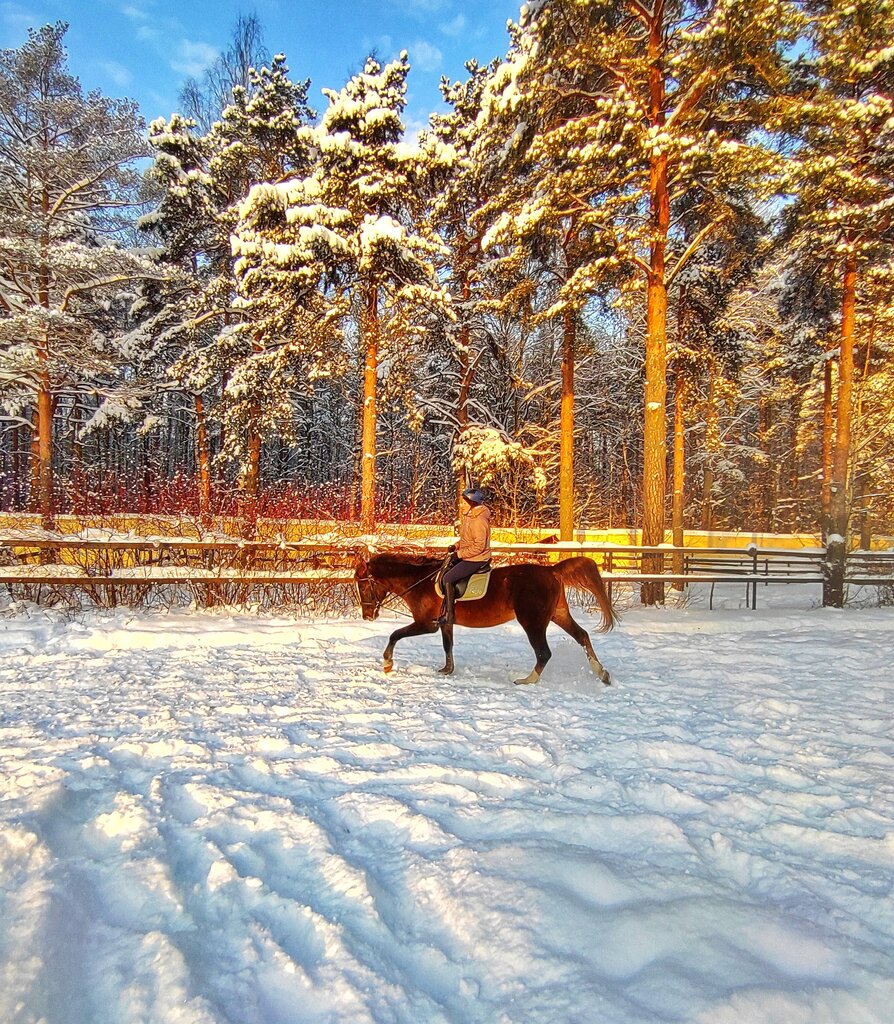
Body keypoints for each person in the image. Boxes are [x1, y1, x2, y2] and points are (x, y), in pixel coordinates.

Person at [438, 487, 492, 626]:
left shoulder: (479, 521)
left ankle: (450, 616)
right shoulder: (470, 517)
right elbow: (467, 540)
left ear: (471, 503)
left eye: (464, 502)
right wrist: (456, 546)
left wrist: (459, 554)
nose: (461, 505)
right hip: (469, 556)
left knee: (448, 578)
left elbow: (479, 547)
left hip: (477, 559)